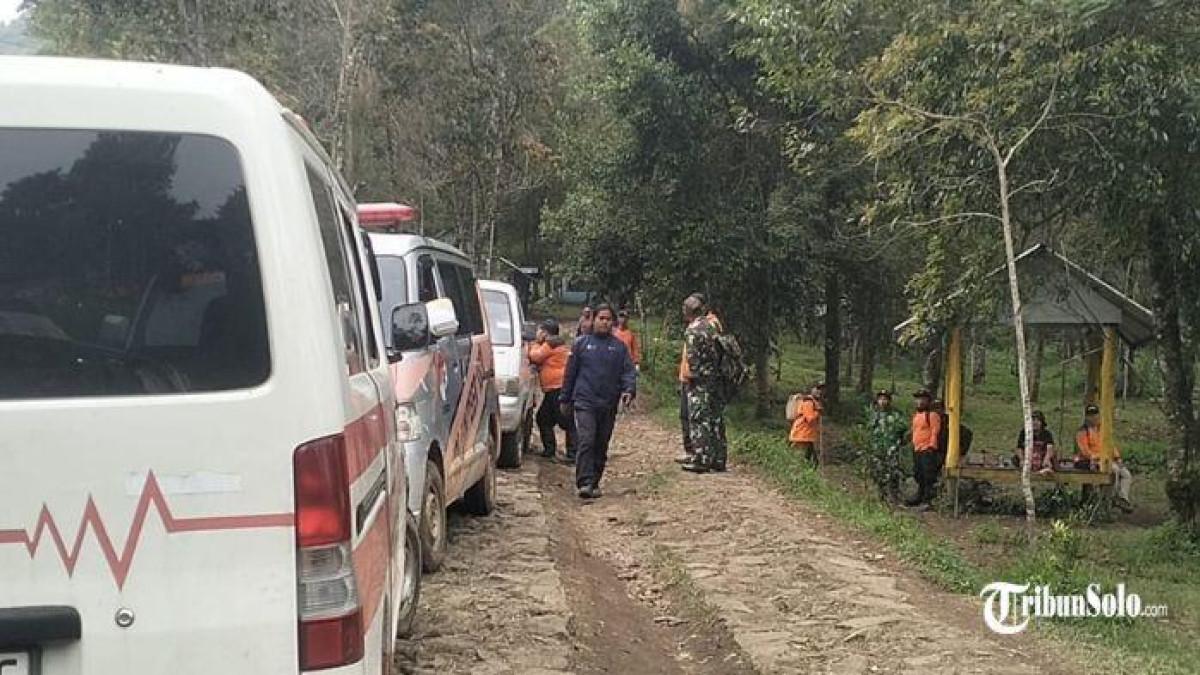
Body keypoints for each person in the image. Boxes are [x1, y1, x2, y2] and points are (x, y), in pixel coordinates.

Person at [560, 304, 637, 498]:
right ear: (593, 320)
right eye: (601, 318)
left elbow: (628, 372)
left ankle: (595, 481)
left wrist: (629, 390)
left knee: (601, 443)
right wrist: (565, 398)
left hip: (608, 403)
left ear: (613, 322)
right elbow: (570, 374)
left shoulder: (619, 348)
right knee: (587, 440)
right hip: (584, 401)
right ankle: (584, 482)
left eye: (608, 319)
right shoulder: (581, 344)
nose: (604, 322)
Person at [680, 294, 726, 473]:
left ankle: (701, 459)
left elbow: (692, 361)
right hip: (715, 379)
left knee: (699, 419)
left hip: (699, 381)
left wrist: (690, 379)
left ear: (688, 311)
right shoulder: (711, 326)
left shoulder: (693, 329)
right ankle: (719, 458)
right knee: (715, 419)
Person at [528, 319, 574, 461]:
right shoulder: (557, 343)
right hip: (555, 388)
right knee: (545, 419)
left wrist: (534, 344)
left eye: (539, 330)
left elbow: (535, 356)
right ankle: (552, 451)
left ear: (545, 332)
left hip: (557, 388)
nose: (537, 333)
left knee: (563, 421)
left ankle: (570, 453)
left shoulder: (550, 344)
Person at [1074, 405, 1134, 513]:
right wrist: (1099, 457)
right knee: (1113, 470)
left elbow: (1111, 445)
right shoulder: (1082, 432)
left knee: (1126, 474)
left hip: (1107, 459)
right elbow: (1085, 451)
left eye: (1095, 415)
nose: (1093, 418)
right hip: (1090, 461)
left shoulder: (1103, 430)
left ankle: (1122, 498)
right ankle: (1110, 498)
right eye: (1090, 415)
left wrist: (1117, 457)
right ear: (1086, 417)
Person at [868, 390, 907, 501]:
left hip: (892, 448)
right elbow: (868, 429)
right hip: (877, 448)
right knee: (878, 471)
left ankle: (893, 495)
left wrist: (899, 442)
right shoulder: (873, 414)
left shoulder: (896, 414)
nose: (883, 401)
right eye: (880, 399)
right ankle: (880, 494)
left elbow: (904, 429)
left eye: (885, 399)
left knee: (893, 471)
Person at [907, 389, 943, 509]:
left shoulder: (932, 415)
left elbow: (935, 431)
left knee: (928, 476)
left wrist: (931, 447)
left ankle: (928, 501)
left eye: (923, 399)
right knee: (918, 474)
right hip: (917, 449)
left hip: (927, 450)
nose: (920, 401)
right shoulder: (917, 415)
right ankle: (920, 496)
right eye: (918, 399)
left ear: (928, 401)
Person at [788, 383, 824, 466]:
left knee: (810, 460)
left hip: (807, 436)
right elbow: (810, 419)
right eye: (817, 389)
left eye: (821, 389)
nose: (820, 391)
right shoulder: (808, 402)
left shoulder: (814, 402)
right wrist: (817, 412)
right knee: (801, 459)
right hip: (801, 435)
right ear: (811, 390)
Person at [1013, 410, 1056, 475]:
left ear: (1042, 423)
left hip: (1041, 458)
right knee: (1016, 460)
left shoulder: (1047, 434)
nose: (1035, 423)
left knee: (1051, 463)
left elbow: (1050, 448)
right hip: (1028, 458)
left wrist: (1047, 459)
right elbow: (1019, 448)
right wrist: (1022, 459)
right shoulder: (1024, 433)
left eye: (1038, 420)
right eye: (1033, 420)